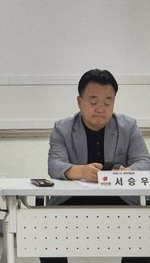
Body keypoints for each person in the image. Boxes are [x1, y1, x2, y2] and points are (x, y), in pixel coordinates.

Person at [42, 69, 150, 263]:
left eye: (107, 102)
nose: (101, 108)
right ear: (79, 102)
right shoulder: (62, 128)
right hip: (71, 203)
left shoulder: (128, 127)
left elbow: (144, 161)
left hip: (120, 202)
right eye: (93, 102)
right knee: (45, 233)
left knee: (143, 233)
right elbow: (55, 164)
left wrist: (128, 172)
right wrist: (81, 171)